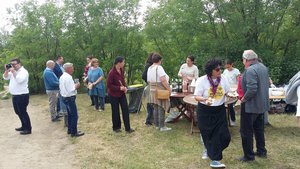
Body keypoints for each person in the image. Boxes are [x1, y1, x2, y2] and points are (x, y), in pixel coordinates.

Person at [194, 58, 231, 168]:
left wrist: (231, 94)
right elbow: (196, 96)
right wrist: (205, 100)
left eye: (220, 69)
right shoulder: (202, 80)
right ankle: (215, 160)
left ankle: (211, 151)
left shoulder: (223, 78)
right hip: (205, 111)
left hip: (219, 110)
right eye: (217, 69)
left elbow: (227, 91)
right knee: (209, 134)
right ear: (211, 71)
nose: (220, 71)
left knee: (225, 137)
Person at [238, 49, 269, 162]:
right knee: (259, 129)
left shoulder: (251, 70)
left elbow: (252, 89)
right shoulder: (263, 67)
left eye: (243, 59)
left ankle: (249, 156)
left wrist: (243, 99)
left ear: (246, 59)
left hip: (251, 106)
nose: (243, 61)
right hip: (262, 105)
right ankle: (261, 151)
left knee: (246, 131)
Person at [3, 58, 32, 135]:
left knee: (23, 112)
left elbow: (19, 80)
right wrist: (6, 70)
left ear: (19, 63)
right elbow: (5, 77)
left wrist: (13, 71)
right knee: (18, 112)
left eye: (14, 64)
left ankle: (28, 129)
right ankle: (23, 126)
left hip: (22, 95)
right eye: (11, 64)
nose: (13, 66)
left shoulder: (23, 72)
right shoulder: (13, 71)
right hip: (15, 95)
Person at [106, 56, 135, 133]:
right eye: (123, 62)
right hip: (113, 95)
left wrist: (125, 87)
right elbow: (109, 85)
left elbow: (122, 80)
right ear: (119, 63)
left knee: (125, 110)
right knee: (115, 111)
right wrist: (119, 88)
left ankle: (128, 128)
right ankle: (116, 127)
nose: (124, 63)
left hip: (121, 94)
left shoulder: (121, 70)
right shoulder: (111, 73)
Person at [147, 53, 172, 131]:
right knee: (161, 107)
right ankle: (162, 126)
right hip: (160, 89)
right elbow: (163, 80)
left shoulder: (150, 68)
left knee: (155, 107)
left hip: (152, 89)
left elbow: (148, 80)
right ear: (159, 60)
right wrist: (168, 89)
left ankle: (157, 125)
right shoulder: (159, 67)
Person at [59, 63, 84, 137]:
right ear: (68, 69)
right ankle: (74, 132)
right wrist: (77, 86)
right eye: (72, 67)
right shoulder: (68, 77)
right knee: (74, 115)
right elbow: (71, 89)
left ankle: (70, 129)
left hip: (64, 97)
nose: (73, 69)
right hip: (69, 98)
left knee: (70, 115)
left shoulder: (62, 76)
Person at [223, 59, 240, 126]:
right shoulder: (225, 71)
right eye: (226, 67)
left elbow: (239, 81)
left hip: (234, 90)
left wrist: (236, 89)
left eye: (228, 66)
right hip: (227, 90)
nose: (227, 68)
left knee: (230, 105)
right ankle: (225, 120)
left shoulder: (236, 71)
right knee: (225, 104)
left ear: (231, 64)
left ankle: (232, 119)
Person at [53, 55, 67, 125]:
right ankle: (60, 110)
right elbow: (55, 75)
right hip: (59, 82)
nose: (63, 60)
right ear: (59, 59)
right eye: (62, 59)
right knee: (59, 97)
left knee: (62, 96)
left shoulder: (61, 66)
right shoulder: (55, 66)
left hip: (63, 82)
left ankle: (61, 110)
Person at [142, 52, 154, 126]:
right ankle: (148, 120)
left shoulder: (150, 65)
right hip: (150, 85)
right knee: (150, 103)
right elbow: (143, 76)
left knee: (152, 103)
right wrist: (149, 81)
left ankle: (151, 119)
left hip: (152, 85)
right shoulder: (148, 66)